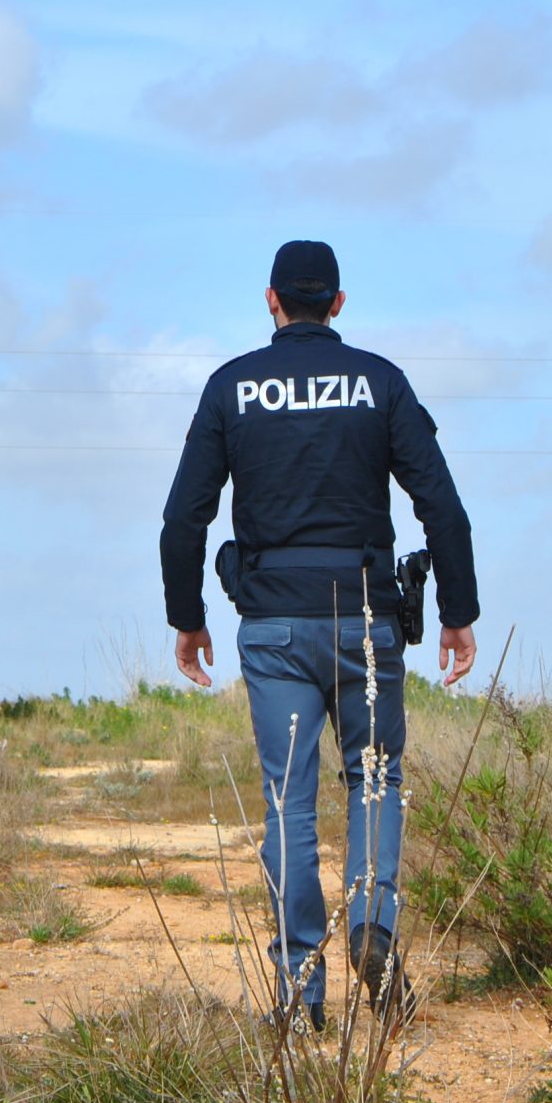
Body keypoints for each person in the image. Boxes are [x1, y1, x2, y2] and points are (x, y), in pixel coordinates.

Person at [160, 241, 479, 1029]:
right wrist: (457, 613)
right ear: (338, 303)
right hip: (365, 623)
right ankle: (373, 925)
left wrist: (187, 618)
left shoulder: (231, 387)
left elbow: (182, 520)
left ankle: (300, 989)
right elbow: (443, 506)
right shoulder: (379, 382)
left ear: (272, 300)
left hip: (272, 628)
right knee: (374, 782)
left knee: (288, 807)